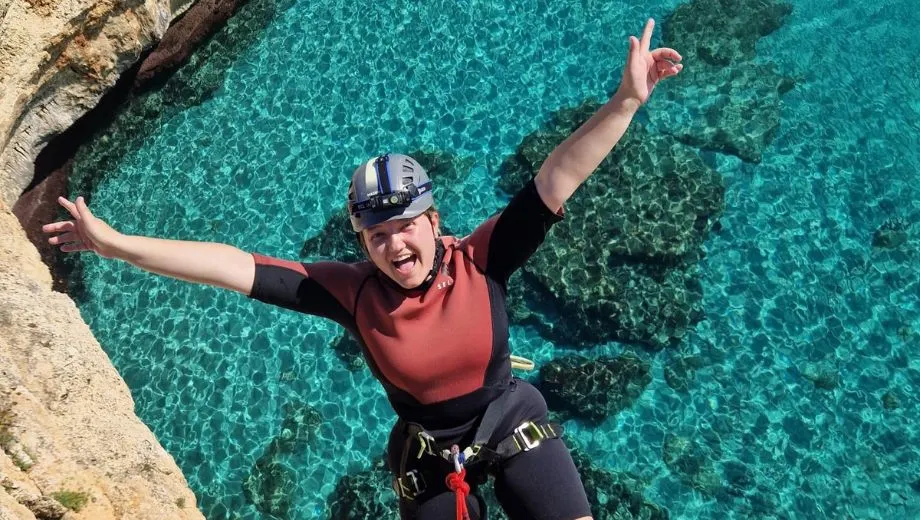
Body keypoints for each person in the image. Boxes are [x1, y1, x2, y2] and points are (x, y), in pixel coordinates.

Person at [43, 19, 681, 520]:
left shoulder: (482, 259)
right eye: (376, 235)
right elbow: (232, 266)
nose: (393, 244)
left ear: (435, 222)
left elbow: (556, 177)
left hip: (510, 419)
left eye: (406, 225)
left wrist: (625, 101)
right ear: (362, 242)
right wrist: (118, 245)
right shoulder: (349, 292)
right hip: (430, 452)